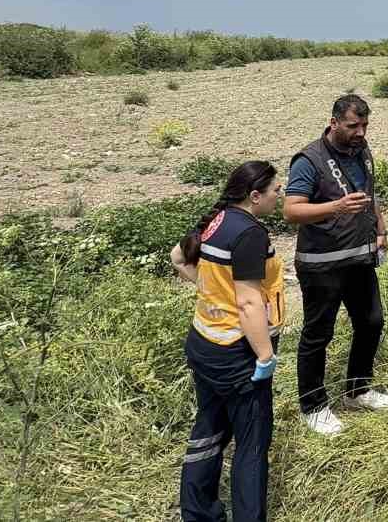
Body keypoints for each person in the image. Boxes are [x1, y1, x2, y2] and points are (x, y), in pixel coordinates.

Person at [172, 161, 285, 522]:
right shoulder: (250, 233)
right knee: (251, 445)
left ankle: (197, 512)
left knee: (209, 429)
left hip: (204, 343)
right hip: (238, 355)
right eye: (274, 190)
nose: (279, 194)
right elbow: (249, 301)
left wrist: (212, 295)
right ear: (255, 196)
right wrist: (265, 356)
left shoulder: (216, 219)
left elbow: (178, 257)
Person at [284, 94, 388, 437]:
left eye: (364, 125)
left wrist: (381, 228)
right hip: (322, 265)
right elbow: (291, 211)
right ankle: (314, 406)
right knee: (319, 334)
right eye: (353, 126)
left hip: (359, 258)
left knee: (372, 321)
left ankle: (357, 390)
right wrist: (336, 207)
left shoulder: (361, 152)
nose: (360, 132)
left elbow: (368, 194)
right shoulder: (309, 160)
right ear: (334, 123)